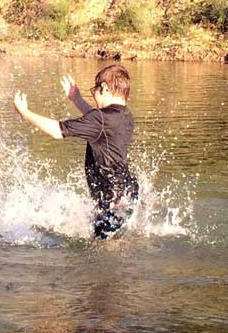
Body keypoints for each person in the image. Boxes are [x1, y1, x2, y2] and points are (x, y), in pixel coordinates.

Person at [13, 64, 139, 239]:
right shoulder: (125, 115)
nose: (94, 94)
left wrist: (26, 114)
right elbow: (97, 123)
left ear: (104, 88)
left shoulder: (101, 119)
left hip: (111, 198)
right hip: (127, 191)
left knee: (104, 250)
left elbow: (58, 131)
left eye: (94, 90)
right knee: (117, 240)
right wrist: (77, 99)